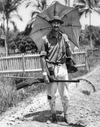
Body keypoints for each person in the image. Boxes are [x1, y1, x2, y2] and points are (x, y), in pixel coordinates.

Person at [39, 15, 72, 123]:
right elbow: (43, 58)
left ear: (60, 24)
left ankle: (66, 114)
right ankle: (53, 114)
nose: (56, 25)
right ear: (51, 24)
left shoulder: (64, 37)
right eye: (54, 23)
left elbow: (69, 54)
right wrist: (45, 74)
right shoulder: (45, 39)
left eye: (58, 23)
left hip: (62, 68)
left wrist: (68, 45)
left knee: (65, 95)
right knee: (51, 95)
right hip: (50, 69)